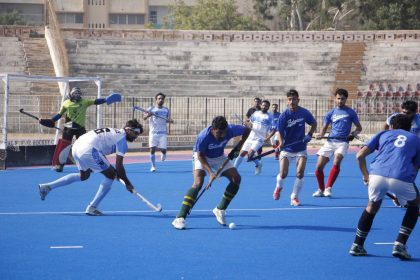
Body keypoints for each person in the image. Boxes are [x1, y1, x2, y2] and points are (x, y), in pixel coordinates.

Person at [349, 114, 420, 260]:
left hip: (377, 175)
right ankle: (399, 245)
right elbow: (416, 166)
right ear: (409, 128)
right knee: (415, 205)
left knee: (371, 207)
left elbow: (359, 156)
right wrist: (404, 190)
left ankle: (357, 245)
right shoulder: (416, 140)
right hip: (402, 177)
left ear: (392, 126)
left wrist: (366, 176)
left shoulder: (383, 133)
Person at [37, 119, 143, 216]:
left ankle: (47, 187)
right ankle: (92, 207)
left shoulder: (114, 132)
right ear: (128, 130)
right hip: (89, 149)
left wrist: (112, 169)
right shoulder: (122, 139)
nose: (136, 136)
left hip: (77, 147)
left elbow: (101, 152)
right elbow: (119, 166)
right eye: (136, 133)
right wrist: (128, 184)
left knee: (84, 175)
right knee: (111, 175)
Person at [172, 116, 250, 230]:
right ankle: (180, 218)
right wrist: (211, 173)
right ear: (213, 129)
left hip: (219, 156)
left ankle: (220, 209)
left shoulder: (230, 129)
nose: (222, 136)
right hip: (203, 157)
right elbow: (200, 156)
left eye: (224, 133)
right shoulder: (203, 136)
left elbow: (247, 130)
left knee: (236, 178)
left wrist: (239, 145)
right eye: (219, 133)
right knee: (198, 183)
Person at [39, 87, 121, 172]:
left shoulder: (84, 102)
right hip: (68, 129)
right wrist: (51, 121)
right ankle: (59, 165)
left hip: (80, 129)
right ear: (71, 94)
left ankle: (88, 166)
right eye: (75, 94)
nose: (77, 95)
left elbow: (96, 101)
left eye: (78, 94)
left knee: (85, 148)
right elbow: (59, 115)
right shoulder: (66, 103)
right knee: (64, 147)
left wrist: (105, 99)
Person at [313, 88, 362, 197]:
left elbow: (359, 128)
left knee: (337, 161)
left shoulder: (351, 112)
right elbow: (324, 127)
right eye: (338, 99)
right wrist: (320, 135)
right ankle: (321, 189)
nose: (340, 101)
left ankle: (328, 188)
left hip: (342, 142)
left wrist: (353, 133)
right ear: (335, 99)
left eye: (343, 99)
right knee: (318, 167)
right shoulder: (330, 112)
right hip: (330, 142)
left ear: (346, 99)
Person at [272, 89, 317, 206]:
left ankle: (294, 197)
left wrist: (310, 135)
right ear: (287, 101)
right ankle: (278, 187)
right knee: (283, 174)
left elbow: (314, 123)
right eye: (290, 99)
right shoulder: (284, 115)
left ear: (298, 100)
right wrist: (281, 143)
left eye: (294, 99)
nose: (292, 101)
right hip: (287, 149)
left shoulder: (304, 113)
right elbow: (280, 131)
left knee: (300, 173)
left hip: (301, 148)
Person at [384, 100, 420, 207]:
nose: (405, 115)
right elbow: (386, 126)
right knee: (408, 176)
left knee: (411, 175)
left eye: (408, 113)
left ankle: (402, 195)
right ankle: (404, 197)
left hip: (416, 151)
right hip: (401, 153)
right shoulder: (396, 118)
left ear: (415, 112)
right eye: (403, 112)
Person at [233, 100, 274, 175]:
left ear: (268, 107)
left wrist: (268, 138)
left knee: (250, 153)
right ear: (261, 105)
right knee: (241, 154)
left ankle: (257, 163)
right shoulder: (256, 113)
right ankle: (235, 169)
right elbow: (250, 122)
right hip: (251, 136)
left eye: (266, 106)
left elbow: (273, 129)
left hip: (259, 138)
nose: (264, 107)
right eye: (263, 105)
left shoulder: (270, 116)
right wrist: (247, 124)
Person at [142, 92, 174, 172]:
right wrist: (148, 115)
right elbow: (144, 118)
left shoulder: (166, 110)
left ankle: (163, 153)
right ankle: (153, 166)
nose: (161, 100)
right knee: (152, 149)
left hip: (162, 133)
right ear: (156, 100)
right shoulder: (151, 109)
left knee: (163, 149)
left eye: (162, 99)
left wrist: (170, 120)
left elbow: (169, 119)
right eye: (159, 98)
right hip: (153, 133)